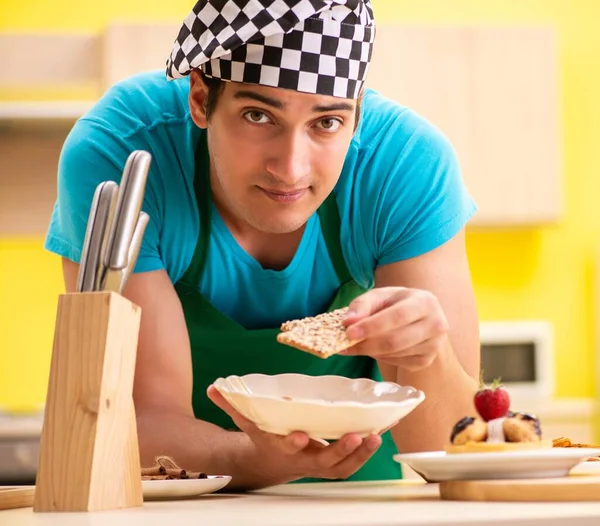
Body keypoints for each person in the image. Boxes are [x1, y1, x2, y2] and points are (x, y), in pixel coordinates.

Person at [44, 0, 480, 490]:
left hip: (361, 499)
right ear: (200, 97)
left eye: (327, 122)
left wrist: (430, 354)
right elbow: (136, 424)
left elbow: (453, 451)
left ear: (357, 115)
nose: (291, 168)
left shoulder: (405, 165)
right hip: (183, 505)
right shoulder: (124, 155)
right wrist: (262, 458)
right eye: (258, 114)